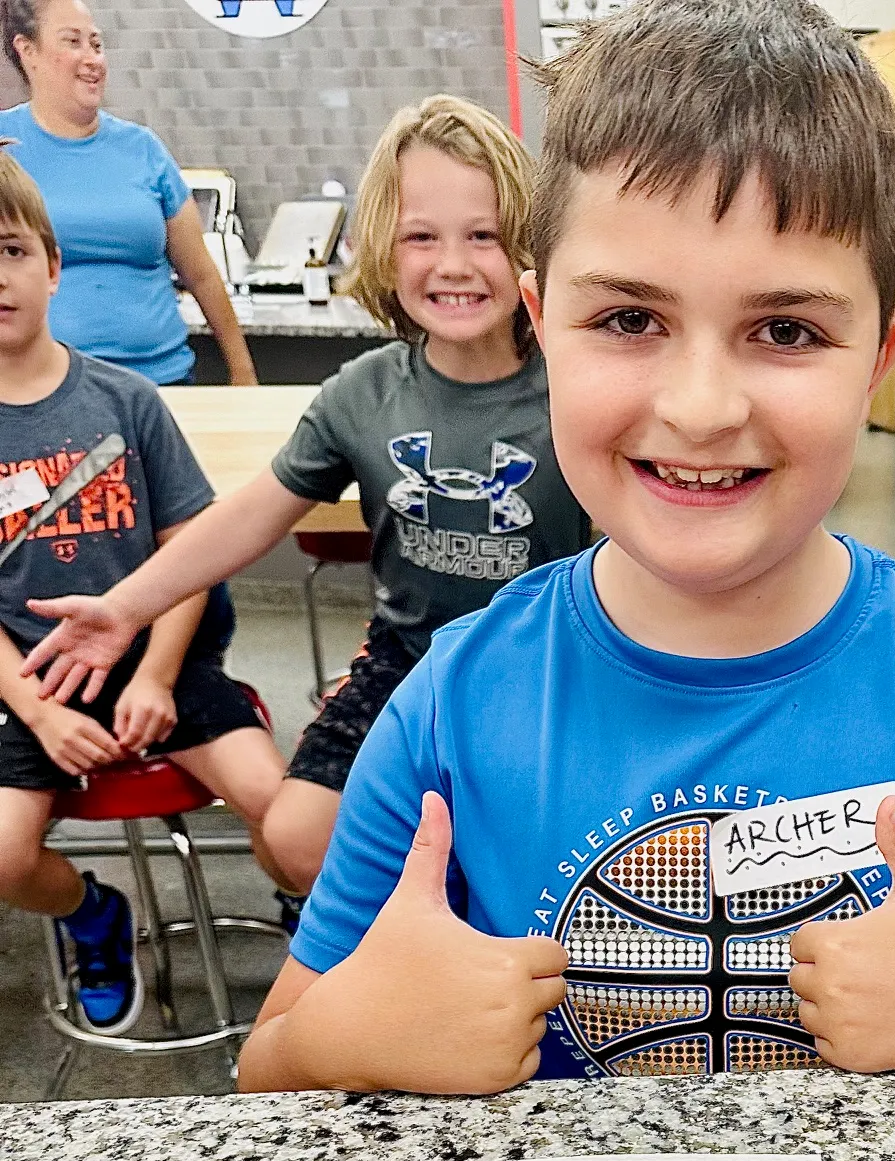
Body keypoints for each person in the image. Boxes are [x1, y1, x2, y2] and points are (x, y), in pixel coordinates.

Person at [27, 0, 895, 1155]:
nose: (702, 407)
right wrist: (345, 1037)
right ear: (544, 326)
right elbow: (276, 1070)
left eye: (786, 332)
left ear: (878, 357)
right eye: (628, 318)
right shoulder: (451, 707)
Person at [19, 94, 589, 896]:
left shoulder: (578, 388)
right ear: (385, 246)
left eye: (484, 236)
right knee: (292, 838)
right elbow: (250, 516)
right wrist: (126, 606)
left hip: (553, 670)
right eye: (422, 236)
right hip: (410, 663)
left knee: (524, 865)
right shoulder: (363, 394)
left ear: (527, 248)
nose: (453, 264)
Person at [0, 154, 283, 1032]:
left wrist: (158, 675)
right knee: (5, 857)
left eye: (8, 250)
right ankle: (94, 914)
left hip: (166, 660)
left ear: (51, 265)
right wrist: (39, 714)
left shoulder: (128, 400)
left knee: (283, 803)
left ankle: (319, 917)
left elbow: (190, 554)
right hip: (35, 683)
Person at [0, 0, 256, 387]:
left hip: (161, 384)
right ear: (28, 51)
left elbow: (201, 275)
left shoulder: (144, 149)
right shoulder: (5, 148)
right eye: (73, 42)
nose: (92, 60)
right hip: (40, 392)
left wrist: (243, 372)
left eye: (97, 45)